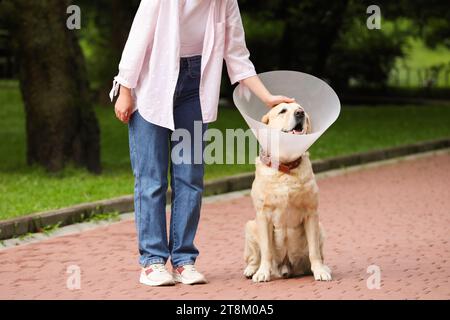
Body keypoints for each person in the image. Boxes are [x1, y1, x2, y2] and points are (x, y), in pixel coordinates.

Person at [110, 0, 295, 287]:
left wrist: (268, 98)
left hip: (194, 88)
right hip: (152, 83)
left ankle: (184, 260)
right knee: (151, 179)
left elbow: (237, 56)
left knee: (190, 178)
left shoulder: (225, 3)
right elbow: (138, 38)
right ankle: (153, 261)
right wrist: (125, 89)